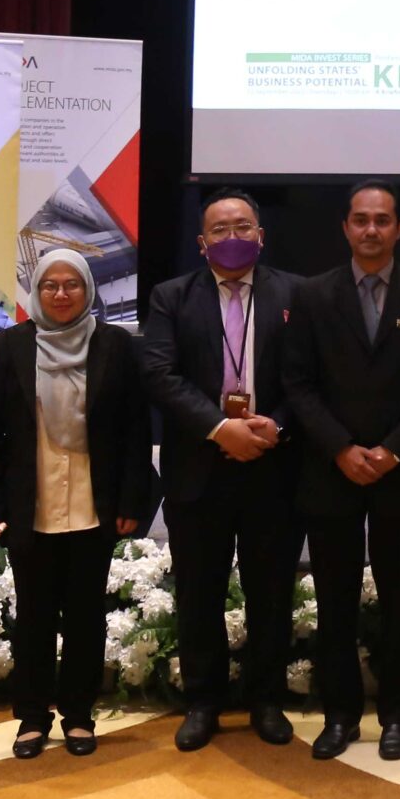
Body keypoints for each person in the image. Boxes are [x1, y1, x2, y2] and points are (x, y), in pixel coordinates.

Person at [285, 180, 400, 761]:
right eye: (361, 219)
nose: (371, 229)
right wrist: (341, 448)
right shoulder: (311, 294)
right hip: (330, 472)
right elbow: (297, 383)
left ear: (399, 228)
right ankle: (340, 716)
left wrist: (393, 450)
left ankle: (398, 717)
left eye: (382, 220)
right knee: (335, 601)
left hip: (399, 473)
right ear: (345, 227)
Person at [0, 248, 153, 758]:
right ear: (37, 292)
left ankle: (78, 716)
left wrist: (132, 500)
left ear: (88, 289)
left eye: (72, 284)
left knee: (85, 616)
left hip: (95, 502)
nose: (61, 293)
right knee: (32, 615)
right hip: (31, 504)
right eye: (50, 285)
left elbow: (136, 429)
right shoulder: (11, 345)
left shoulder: (115, 344)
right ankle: (32, 718)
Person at [144, 190, 302, 751]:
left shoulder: (296, 294)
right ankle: (202, 701)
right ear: (201, 241)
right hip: (198, 469)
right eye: (220, 229)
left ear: (261, 235)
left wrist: (276, 425)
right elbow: (159, 374)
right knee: (198, 592)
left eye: (242, 226)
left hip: (275, 466)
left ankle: (266, 700)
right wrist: (219, 427)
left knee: (271, 591)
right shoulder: (171, 297)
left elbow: (311, 376)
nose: (232, 237)